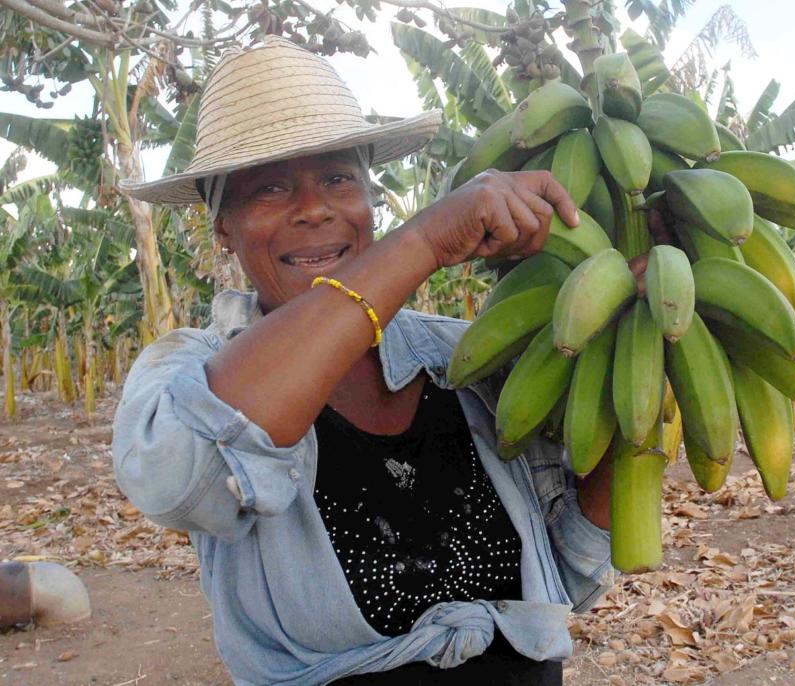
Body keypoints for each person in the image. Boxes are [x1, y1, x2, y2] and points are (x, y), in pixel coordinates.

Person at [112, 36, 617, 686]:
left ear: (369, 199)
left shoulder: (466, 359)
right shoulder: (191, 372)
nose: (314, 208)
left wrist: (634, 378)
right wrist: (425, 239)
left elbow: (570, 565)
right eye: (270, 188)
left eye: (338, 178)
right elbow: (180, 480)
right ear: (223, 227)